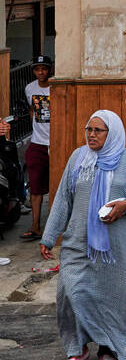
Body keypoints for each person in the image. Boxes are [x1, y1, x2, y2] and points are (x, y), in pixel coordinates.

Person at [39, 110, 126, 360]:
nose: (91, 135)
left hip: (113, 246)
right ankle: (76, 349)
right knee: (70, 292)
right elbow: (64, 198)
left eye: (98, 130)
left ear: (111, 133)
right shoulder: (78, 158)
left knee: (110, 298)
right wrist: (49, 235)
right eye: (88, 129)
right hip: (77, 241)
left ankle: (109, 346)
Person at [21, 55, 52, 241]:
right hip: (37, 142)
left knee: (57, 185)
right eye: (37, 69)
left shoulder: (55, 87)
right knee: (35, 185)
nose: (41, 72)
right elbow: (32, 109)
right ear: (34, 71)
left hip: (55, 143)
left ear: (50, 70)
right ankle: (35, 226)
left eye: (44, 68)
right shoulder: (29, 88)